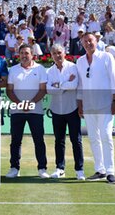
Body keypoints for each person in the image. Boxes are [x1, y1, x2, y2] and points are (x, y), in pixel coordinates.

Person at [76, 32, 115, 184]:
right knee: (94, 138)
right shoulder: (80, 61)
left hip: (105, 104)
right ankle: (100, 170)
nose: (88, 44)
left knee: (106, 135)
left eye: (90, 40)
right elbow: (81, 84)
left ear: (96, 41)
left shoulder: (106, 57)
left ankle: (110, 171)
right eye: (85, 42)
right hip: (88, 105)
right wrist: (80, 103)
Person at [5, 44, 48, 179]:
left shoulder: (40, 69)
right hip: (17, 111)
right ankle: (14, 168)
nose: (24, 56)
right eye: (22, 53)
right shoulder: (13, 70)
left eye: (27, 53)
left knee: (38, 140)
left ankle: (42, 168)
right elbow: (9, 90)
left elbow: (43, 90)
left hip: (36, 111)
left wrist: (30, 103)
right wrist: (20, 103)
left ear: (32, 54)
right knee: (16, 140)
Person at [46, 44, 85, 180]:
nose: (58, 55)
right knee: (59, 141)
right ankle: (60, 168)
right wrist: (65, 84)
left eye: (59, 52)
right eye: (55, 53)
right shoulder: (50, 71)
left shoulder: (73, 67)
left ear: (64, 53)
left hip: (72, 109)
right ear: (51, 55)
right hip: (56, 110)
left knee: (76, 140)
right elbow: (48, 89)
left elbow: (74, 85)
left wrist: (58, 85)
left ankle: (79, 170)